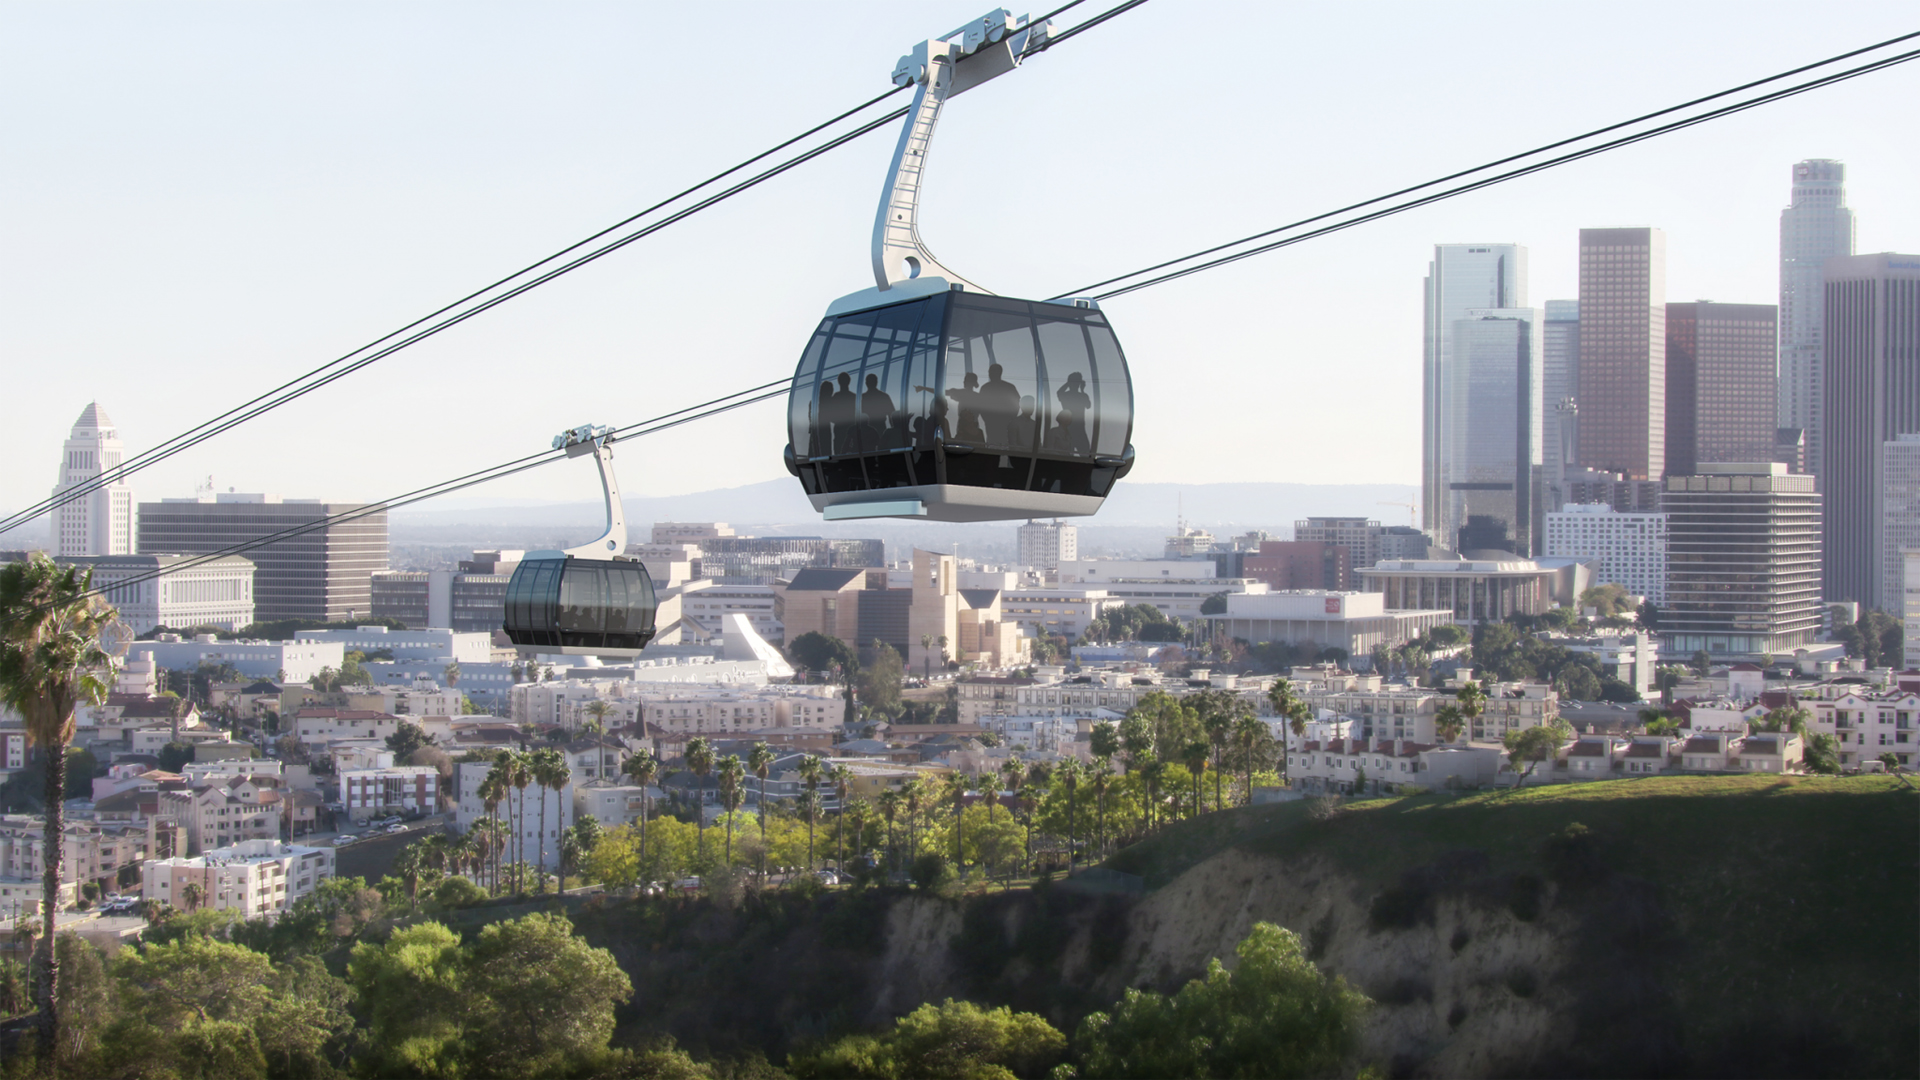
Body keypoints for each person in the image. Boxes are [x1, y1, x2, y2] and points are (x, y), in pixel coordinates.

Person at [935, 372, 986, 444]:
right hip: (972, 427)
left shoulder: (962, 394)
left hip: (965, 427)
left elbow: (942, 392)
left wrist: (924, 388)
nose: (963, 382)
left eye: (965, 380)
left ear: (969, 381)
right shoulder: (978, 397)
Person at [977, 363, 1020, 446]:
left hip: (1002, 424)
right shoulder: (1008, 387)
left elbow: (1016, 404)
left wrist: (1010, 420)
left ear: (999, 373)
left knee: (1000, 446)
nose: (989, 374)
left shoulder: (986, 387)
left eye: (991, 372)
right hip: (994, 423)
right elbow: (981, 406)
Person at [1055, 372, 1092, 456]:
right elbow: (1059, 392)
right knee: (1068, 454)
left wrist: (1082, 390)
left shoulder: (1082, 395)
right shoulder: (1066, 395)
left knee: (1085, 453)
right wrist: (1070, 383)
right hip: (1069, 428)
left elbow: (1088, 405)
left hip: (1079, 428)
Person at [860, 373, 897, 449]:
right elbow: (892, 415)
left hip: (868, 428)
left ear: (866, 383)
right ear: (876, 382)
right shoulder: (883, 396)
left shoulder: (863, 398)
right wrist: (894, 430)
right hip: (879, 427)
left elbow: (891, 414)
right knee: (881, 448)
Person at [827, 371, 857, 453]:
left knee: (840, 450)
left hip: (842, 428)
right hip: (849, 427)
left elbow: (829, 415)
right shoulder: (853, 397)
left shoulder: (836, 397)